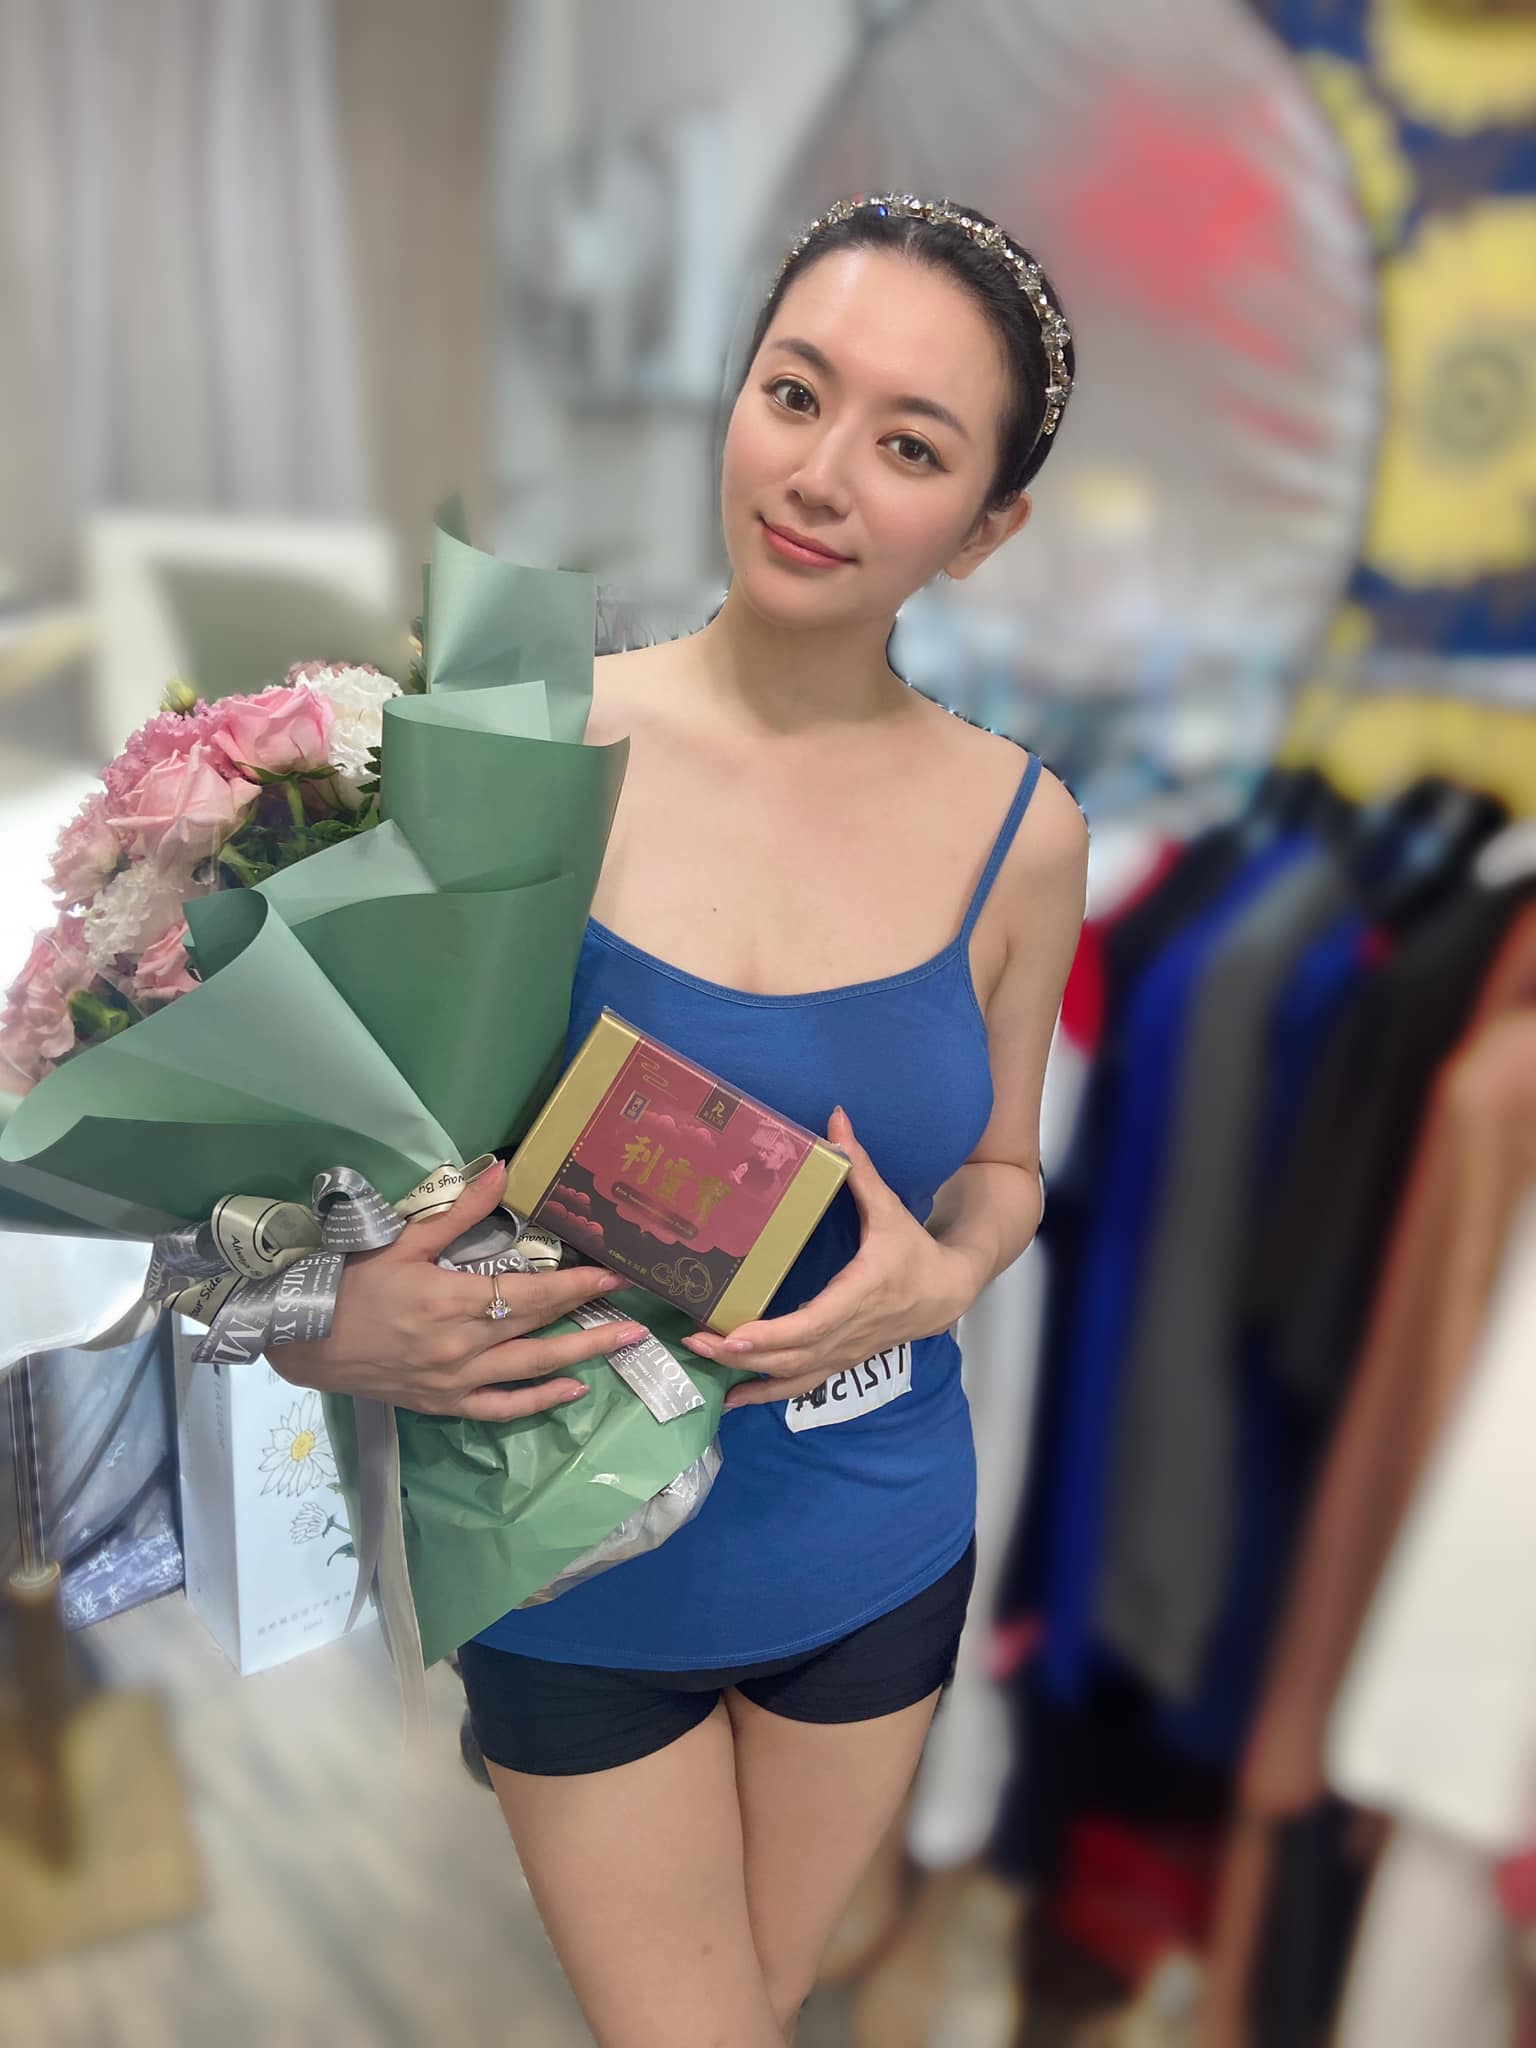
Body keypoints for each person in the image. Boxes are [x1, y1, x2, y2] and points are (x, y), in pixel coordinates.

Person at [273, 192, 1088, 2047]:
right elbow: (310, 1169)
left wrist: (949, 1276)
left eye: (911, 448)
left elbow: (1007, 1167)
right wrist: (334, 1325)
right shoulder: (521, 757)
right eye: (795, 395)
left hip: (880, 1538)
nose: (820, 475)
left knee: (760, 2007)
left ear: (988, 526)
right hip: (565, 1558)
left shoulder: (1022, 832)